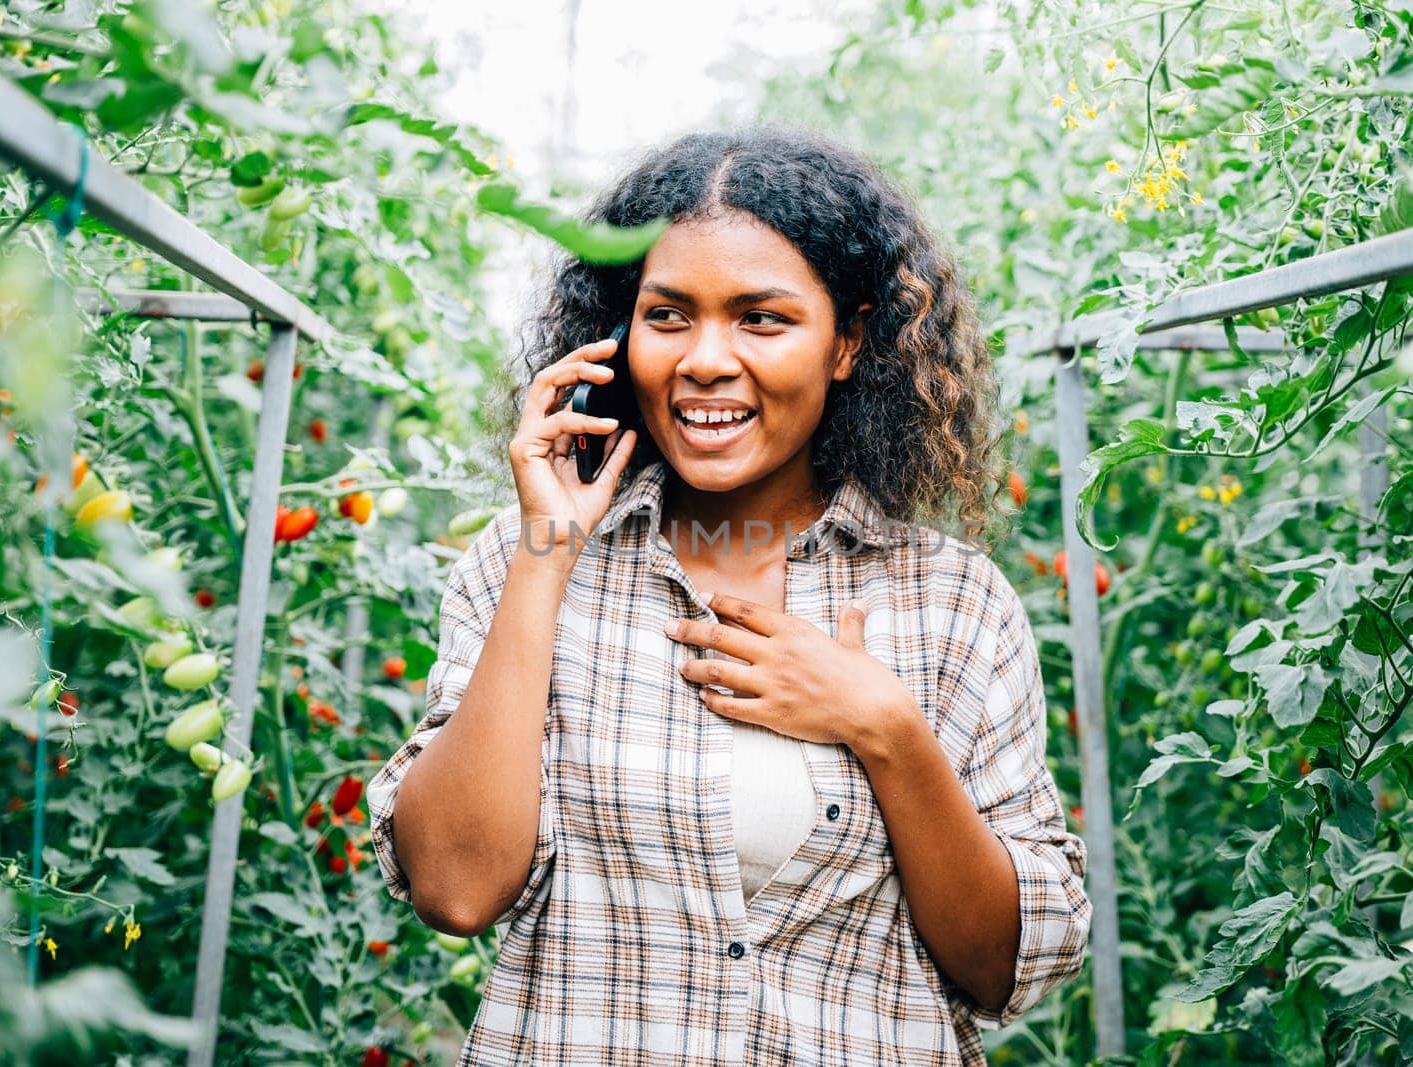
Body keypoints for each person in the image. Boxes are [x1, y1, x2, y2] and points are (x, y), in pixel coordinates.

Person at [367, 126, 1090, 1066]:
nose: (705, 358)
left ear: (847, 343)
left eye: (762, 318)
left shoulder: (952, 600)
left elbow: (1004, 966)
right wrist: (545, 557)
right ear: (622, 335)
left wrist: (886, 729)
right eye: (669, 316)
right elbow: (455, 887)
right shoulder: (529, 560)